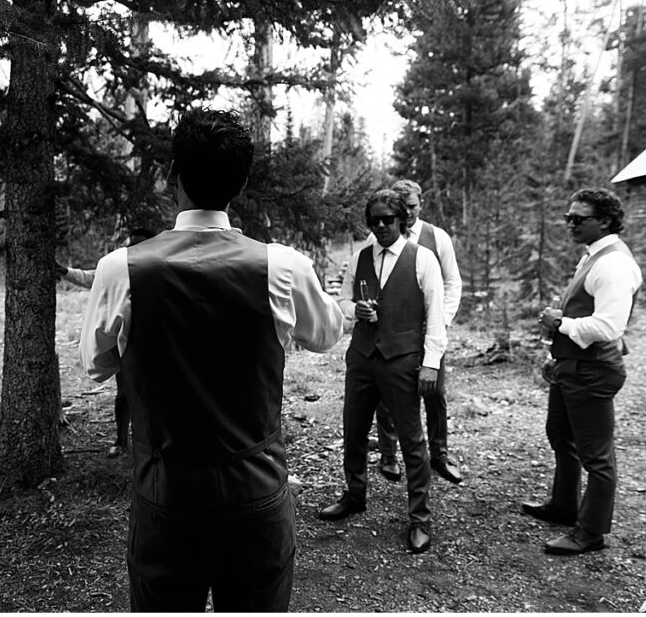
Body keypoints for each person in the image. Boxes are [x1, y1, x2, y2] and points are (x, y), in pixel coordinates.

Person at [80, 108, 345, 612]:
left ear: (172, 175)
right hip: (256, 492)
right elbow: (327, 334)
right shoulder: (282, 266)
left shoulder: (121, 269)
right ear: (241, 184)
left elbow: (94, 365)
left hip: (166, 495)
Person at [318, 189, 446, 554]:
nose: (380, 226)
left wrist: (431, 363)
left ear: (402, 220)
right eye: (373, 220)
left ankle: (420, 518)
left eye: (387, 220)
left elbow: (436, 316)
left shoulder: (422, 259)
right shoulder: (360, 256)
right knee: (354, 430)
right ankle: (354, 495)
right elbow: (341, 298)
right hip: (362, 356)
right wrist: (352, 308)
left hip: (403, 359)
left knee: (411, 440)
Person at [526, 187, 642, 555]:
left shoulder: (614, 264)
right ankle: (564, 505)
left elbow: (609, 327)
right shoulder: (594, 255)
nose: (571, 224)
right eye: (568, 218)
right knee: (561, 435)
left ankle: (591, 532)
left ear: (605, 221)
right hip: (572, 365)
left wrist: (561, 324)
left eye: (579, 219)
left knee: (597, 456)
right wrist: (556, 354)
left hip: (593, 369)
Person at [372, 179, 463, 485]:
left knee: (435, 392)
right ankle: (388, 453)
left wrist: (443, 319)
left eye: (412, 206)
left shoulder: (437, 238)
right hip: (393, 333)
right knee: (386, 396)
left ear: (420, 204)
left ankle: (439, 453)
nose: (407, 213)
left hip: (430, 330)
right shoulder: (381, 237)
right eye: (402, 207)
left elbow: (453, 282)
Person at [57, 227, 156, 457]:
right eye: (132, 245)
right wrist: (65, 271)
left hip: (158, 345)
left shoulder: (163, 269)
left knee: (154, 395)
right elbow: (93, 278)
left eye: (140, 245)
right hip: (128, 344)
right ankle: (121, 441)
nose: (134, 250)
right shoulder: (120, 270)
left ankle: (152, 442)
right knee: (124, 394)